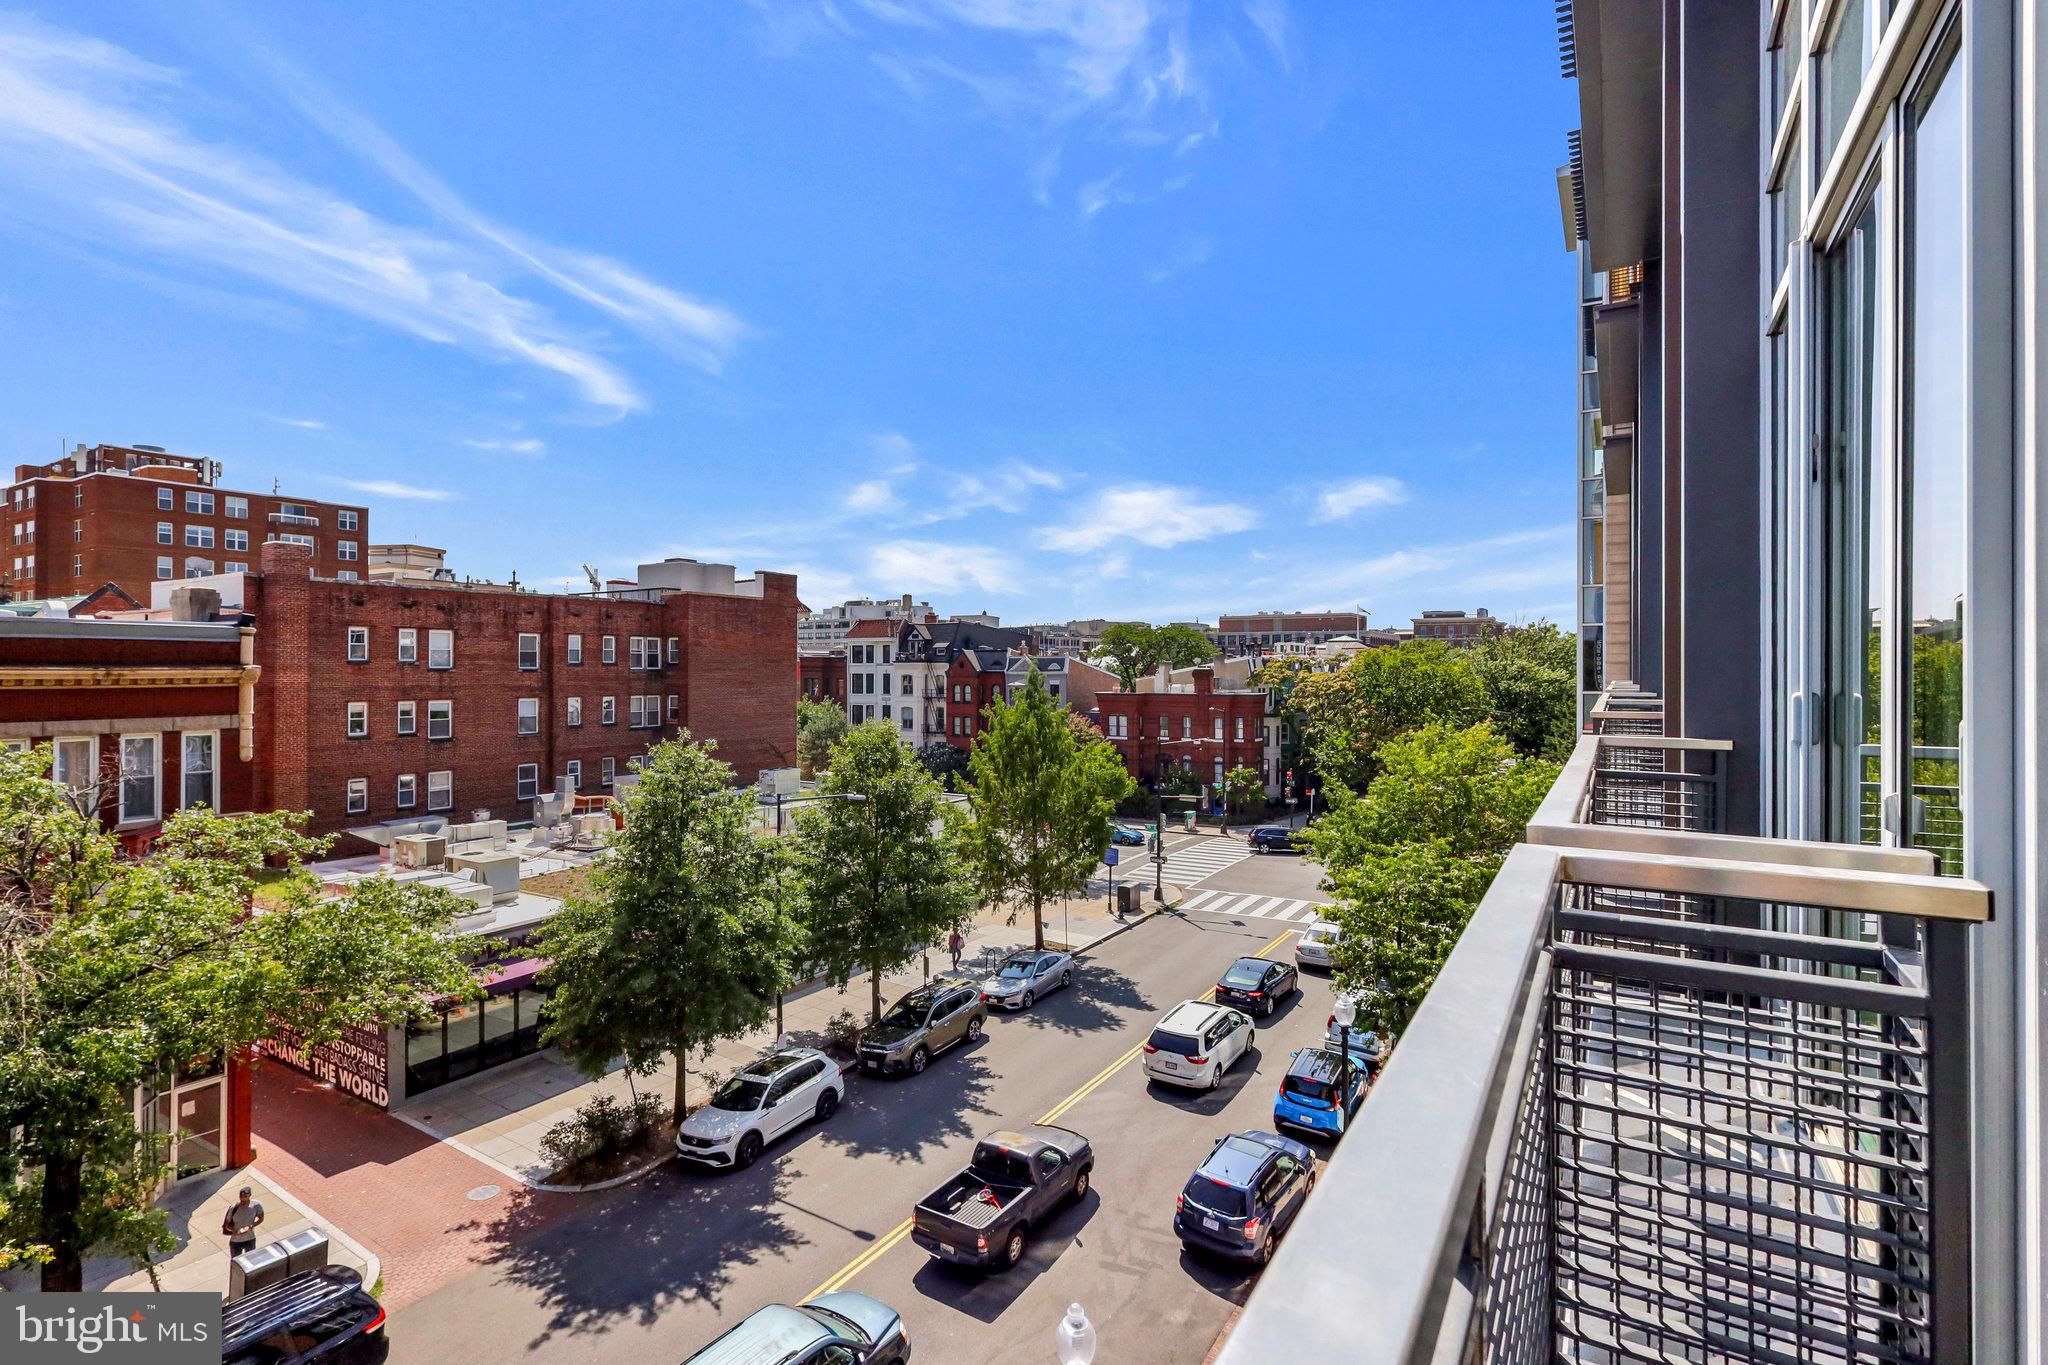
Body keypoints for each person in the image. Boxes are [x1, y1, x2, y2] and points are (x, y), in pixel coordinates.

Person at [222, 1186, 265, 1261]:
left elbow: (261, 1218)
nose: (243, 1199)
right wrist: (233, 1230)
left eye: (245, 1196)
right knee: (236, 1261)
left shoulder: (256, 1205)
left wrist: (252, 1226)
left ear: (250, 1195)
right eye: (241, 1196)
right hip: (236, 1240)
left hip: (250, 1239)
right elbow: (227, 1224)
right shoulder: (234, 1208)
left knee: (251, 1260)